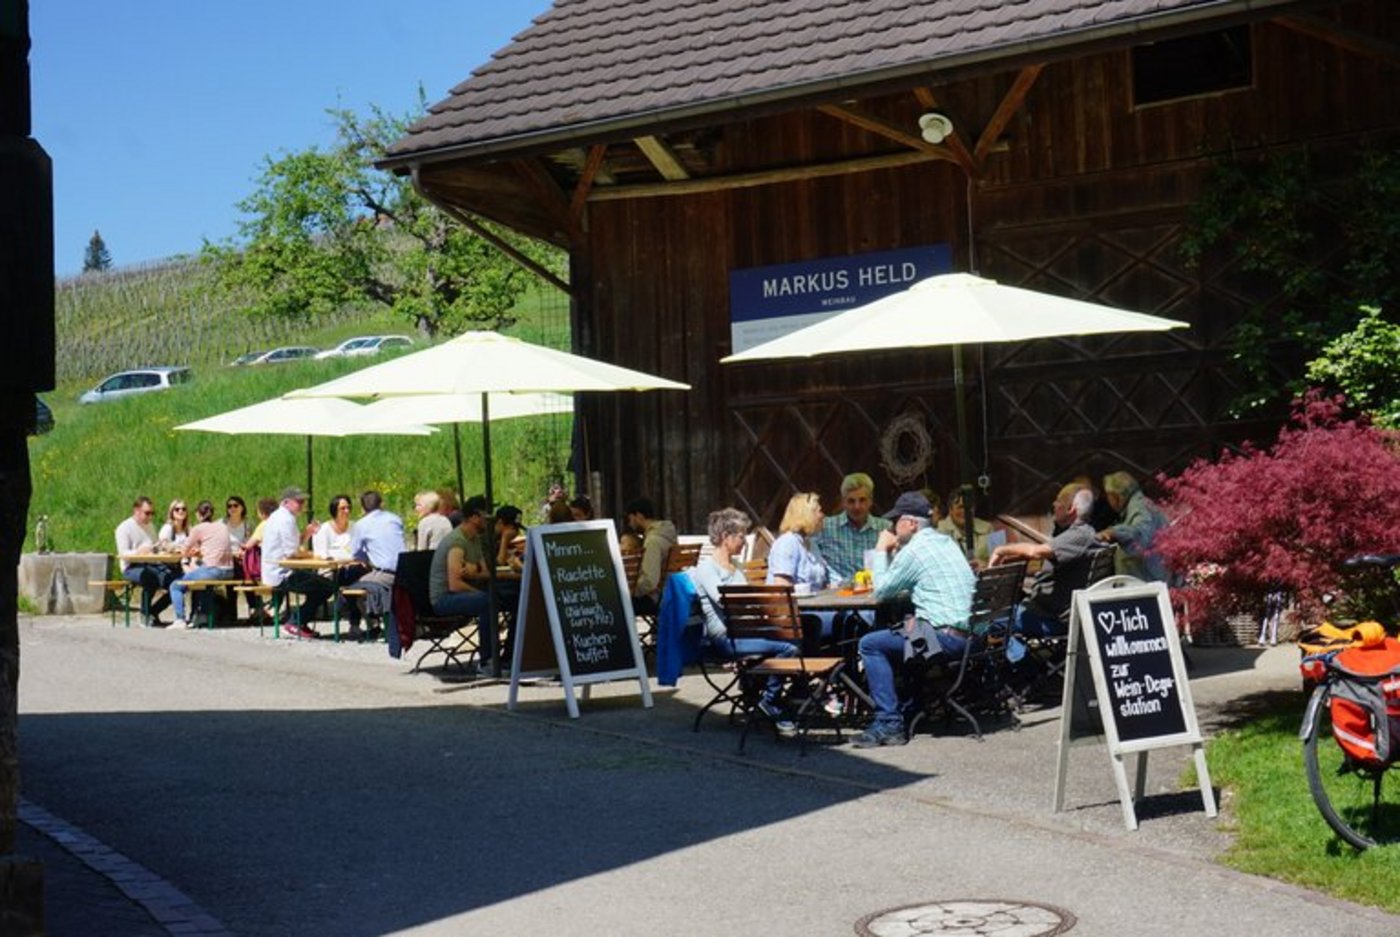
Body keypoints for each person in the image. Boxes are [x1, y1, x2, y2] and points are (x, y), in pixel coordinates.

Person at [854, 490, 976, 748]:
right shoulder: (946, 541)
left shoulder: (916, 549)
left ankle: (889, 722)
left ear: (910, 523)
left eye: (895, 522)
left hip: (943, 639)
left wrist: (880, 549)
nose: (892, 528)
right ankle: (911, 705)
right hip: (971, 637)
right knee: (904, 626)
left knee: (871, 644)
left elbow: (882, 590)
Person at [691, 507, 797, 731]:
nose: (745, 542)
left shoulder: (736, 566)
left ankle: (759, 692)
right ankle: (770, 700)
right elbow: (726, 602)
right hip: (724, 638)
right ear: (724, 537)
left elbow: (747, 601)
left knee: (800, 633)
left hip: (746, 632)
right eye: (741, 536)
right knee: (787, 647)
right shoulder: (706, 569)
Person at [989, 484, 1100, 636]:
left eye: (1059, 500)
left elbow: (1035, 552)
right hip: (1051, 612)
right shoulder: (1076, 534)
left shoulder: (1079, 535)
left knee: (989, 619)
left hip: (1052, 619)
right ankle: (1022, 657)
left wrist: (1001, 550)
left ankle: (1018, 659)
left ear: (1071, 509)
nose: (1054, 504)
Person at [429, 495, 494, 664]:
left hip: (461, 592)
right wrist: (478, 587)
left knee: (504, 594)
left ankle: (509, 653)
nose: (489, 519)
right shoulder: (457, 542)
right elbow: (455, 584)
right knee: (487, 601)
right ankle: (488, 659)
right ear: (474, 517)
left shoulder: (474, 538)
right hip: (444, 598)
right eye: (486, 515)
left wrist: (476, 569)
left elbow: (485, 572)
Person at [260, 486, 330, 639]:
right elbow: (292, 553)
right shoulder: (286, 519)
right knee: (326, 587)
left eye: (303, 501)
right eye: (299, 502)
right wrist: (311, 555)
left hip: (277, 570)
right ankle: (295, 622)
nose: (302, 505)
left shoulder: (279, 517)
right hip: (282, 573)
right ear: (286, 502)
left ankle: (299, 622)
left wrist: (307, 533)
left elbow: (293, 545)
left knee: (320, 584)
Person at [342, 490, 404, 637]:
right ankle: (380, 620)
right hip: (405, 570)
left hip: (385, 573)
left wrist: (366, 557)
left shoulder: (362, 525)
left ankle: (372, 624)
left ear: (362, 508)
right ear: (381, 504)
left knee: (350, 589)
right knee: (368, 582)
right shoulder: (395, 519)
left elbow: (356, 553)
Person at [169, 500, 235, 630]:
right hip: (229, 570)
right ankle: (203, 615)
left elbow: (184, 549)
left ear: (199, 514)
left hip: (213, 569)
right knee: (205, 583)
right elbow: (216, 547)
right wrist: (201, 551)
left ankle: (180, 619)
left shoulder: (198, 528)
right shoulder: (222, 526)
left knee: (175, 586)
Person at [814, 472, 890, 582]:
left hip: (873, 594)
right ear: (843, 502)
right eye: (851, 501)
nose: (857, 506)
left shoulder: (884, 528)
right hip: (836, 595)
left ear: (871, 501)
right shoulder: (825, 527)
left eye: (862, 500)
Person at [114, 495, 177, 627]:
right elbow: (123, 554)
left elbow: (154, 547)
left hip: (152, 564)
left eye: (152, 513)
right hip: (131, 566)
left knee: (177, 583)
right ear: (136, 511)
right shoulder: (124, 528)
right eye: (147, 513)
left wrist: (163, 547)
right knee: (149, 577)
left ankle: (153, 611)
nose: (150, 517)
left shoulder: (150, 526)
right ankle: (144, 614)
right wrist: (138, 552)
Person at [1098, 471, 1169, 582]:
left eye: (1108, 496)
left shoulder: (1140, 508)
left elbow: (1140, 535)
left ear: (1116, 496)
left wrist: (1113, 532)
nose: (1108, 501)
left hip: (1149, 582)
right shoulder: (1139, 505)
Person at [766, 492, 829, 592]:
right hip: (796, 605)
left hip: (817, 603)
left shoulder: (811, 543)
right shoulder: (787, 543)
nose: (823, 516)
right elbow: (782, 587)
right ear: (807, 514)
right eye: (819, 511)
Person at [625, 497, 678, 615]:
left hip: (655, 599)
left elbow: (649, 582)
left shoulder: (653, 541)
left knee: (615, 603)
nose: (629, 523)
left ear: (639, 515)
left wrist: (630, 592)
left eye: (630, 519)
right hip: (668, 594)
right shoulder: (667, 534)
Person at [937, 487, 994, 565]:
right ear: (950, 510)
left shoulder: (988, 528)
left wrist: (984, 565)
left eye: (968, 507)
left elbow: (1000, 562)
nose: (964, 511)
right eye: (960, 507)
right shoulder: (939, 532)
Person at [311, 494, 354, 561]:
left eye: (348, 508)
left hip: (353, 567)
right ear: (334, 510)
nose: (347, 511)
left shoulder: (355, 527)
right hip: (330, 568)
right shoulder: (323, 530)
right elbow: (320, 555)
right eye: (343, 508)